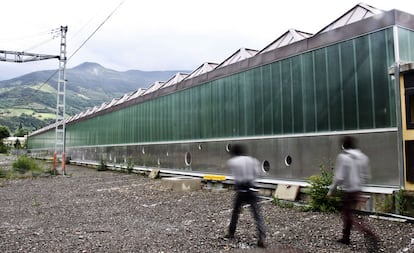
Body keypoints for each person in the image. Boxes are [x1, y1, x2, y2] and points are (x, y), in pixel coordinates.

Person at [327, 136, 379, 252]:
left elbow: (339, 177)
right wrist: (362, 191)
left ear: (344, 146)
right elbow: (365, 176)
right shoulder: (362, 157)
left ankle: (369, 234)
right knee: (349, 214)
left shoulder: (343, 157)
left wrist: (331, 191)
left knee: (347, 215)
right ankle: (346, 237)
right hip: (358, 190)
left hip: (349, 190)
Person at [225, 144, 266, 248]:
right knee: (257, 215)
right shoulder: (253, 160)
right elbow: (258, 174)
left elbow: (235, 177)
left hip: (241, 190)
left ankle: (231, 232)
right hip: (252, 189)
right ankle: (262, 237)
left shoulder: (233, 162)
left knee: (236, 212)